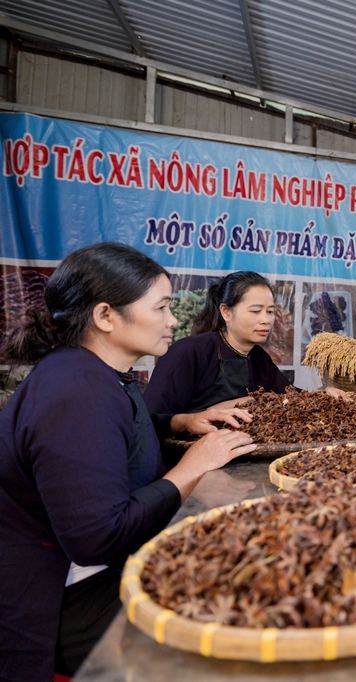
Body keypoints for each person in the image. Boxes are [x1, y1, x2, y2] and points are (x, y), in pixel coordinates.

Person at [0, 243, 257, 682]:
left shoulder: (93, 372)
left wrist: (181, 420)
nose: (173, 320)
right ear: (105, 317)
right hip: (59, 595)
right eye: (161, 307)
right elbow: (96, 539)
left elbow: (119, 428)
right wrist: (190, 469)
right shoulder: (76, 394)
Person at [144, 271, 344, 417]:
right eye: (256, 311)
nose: (266, 320)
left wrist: (322, 394)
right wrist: (216, 411)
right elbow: (152, 418)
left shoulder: (259, 359)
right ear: (226, 312)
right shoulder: (190, 352)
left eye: (270, 311)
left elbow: (288, 397)